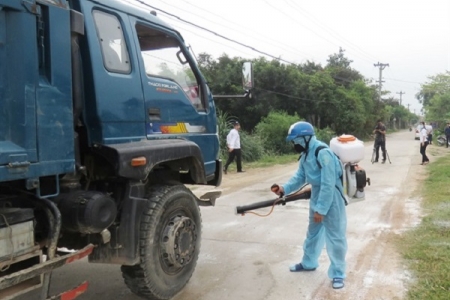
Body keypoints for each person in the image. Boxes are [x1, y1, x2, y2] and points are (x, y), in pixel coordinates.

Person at [271, 121, 347, 290]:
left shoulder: (323, 152)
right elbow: (300, 177)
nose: (294, 144)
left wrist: (321, 209)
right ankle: (308, 263)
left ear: (306, 138)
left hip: (332, 197)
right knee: (313, 233)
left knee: (335, 237)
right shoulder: (306, 154)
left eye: (296, 140)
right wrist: (284, 189)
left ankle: (338, 274)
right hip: (317, 195)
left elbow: (328, 183)